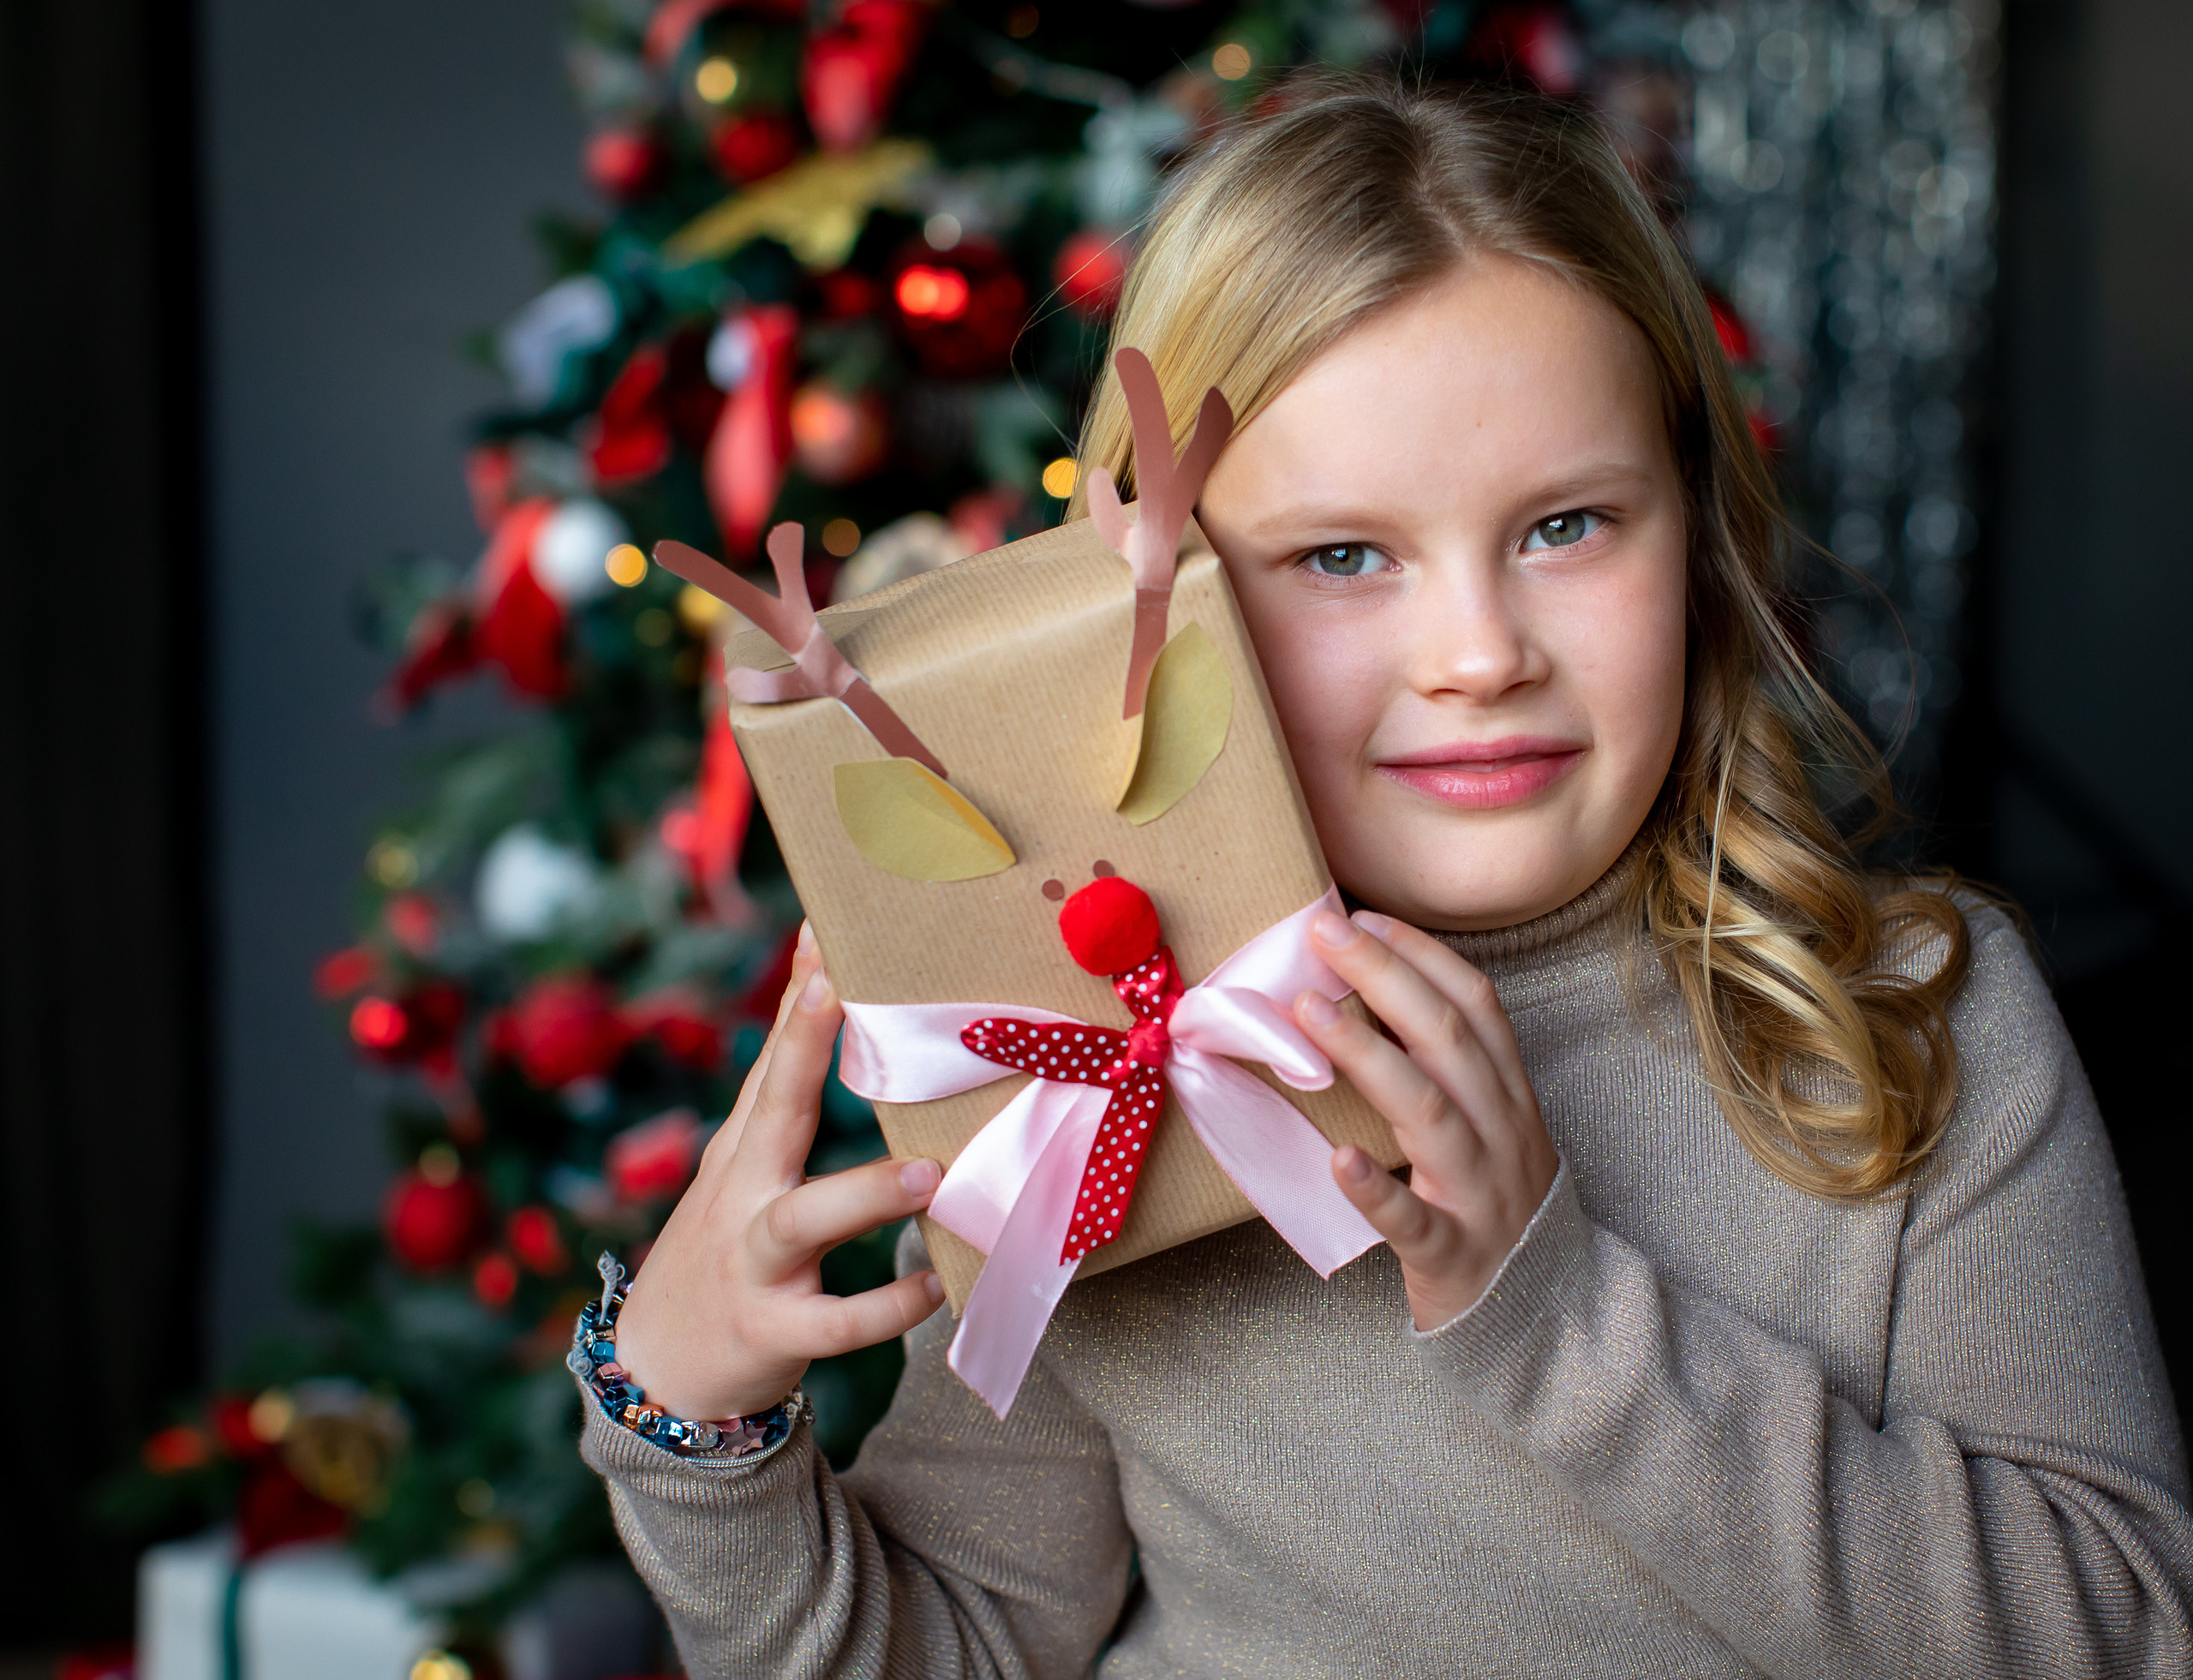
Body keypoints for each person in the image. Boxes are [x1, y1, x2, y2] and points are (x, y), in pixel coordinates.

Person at [579, 76, 2193, 1677]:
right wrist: (691, 1436)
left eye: (1567, 525)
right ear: (1163, 608)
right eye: (1343, 557)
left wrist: (1555, 1307)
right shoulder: (1111, 1088)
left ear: (1694, 536)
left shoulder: (1919, 1021)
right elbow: (959, 1647)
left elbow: (2120, 1633)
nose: (1481, 656)